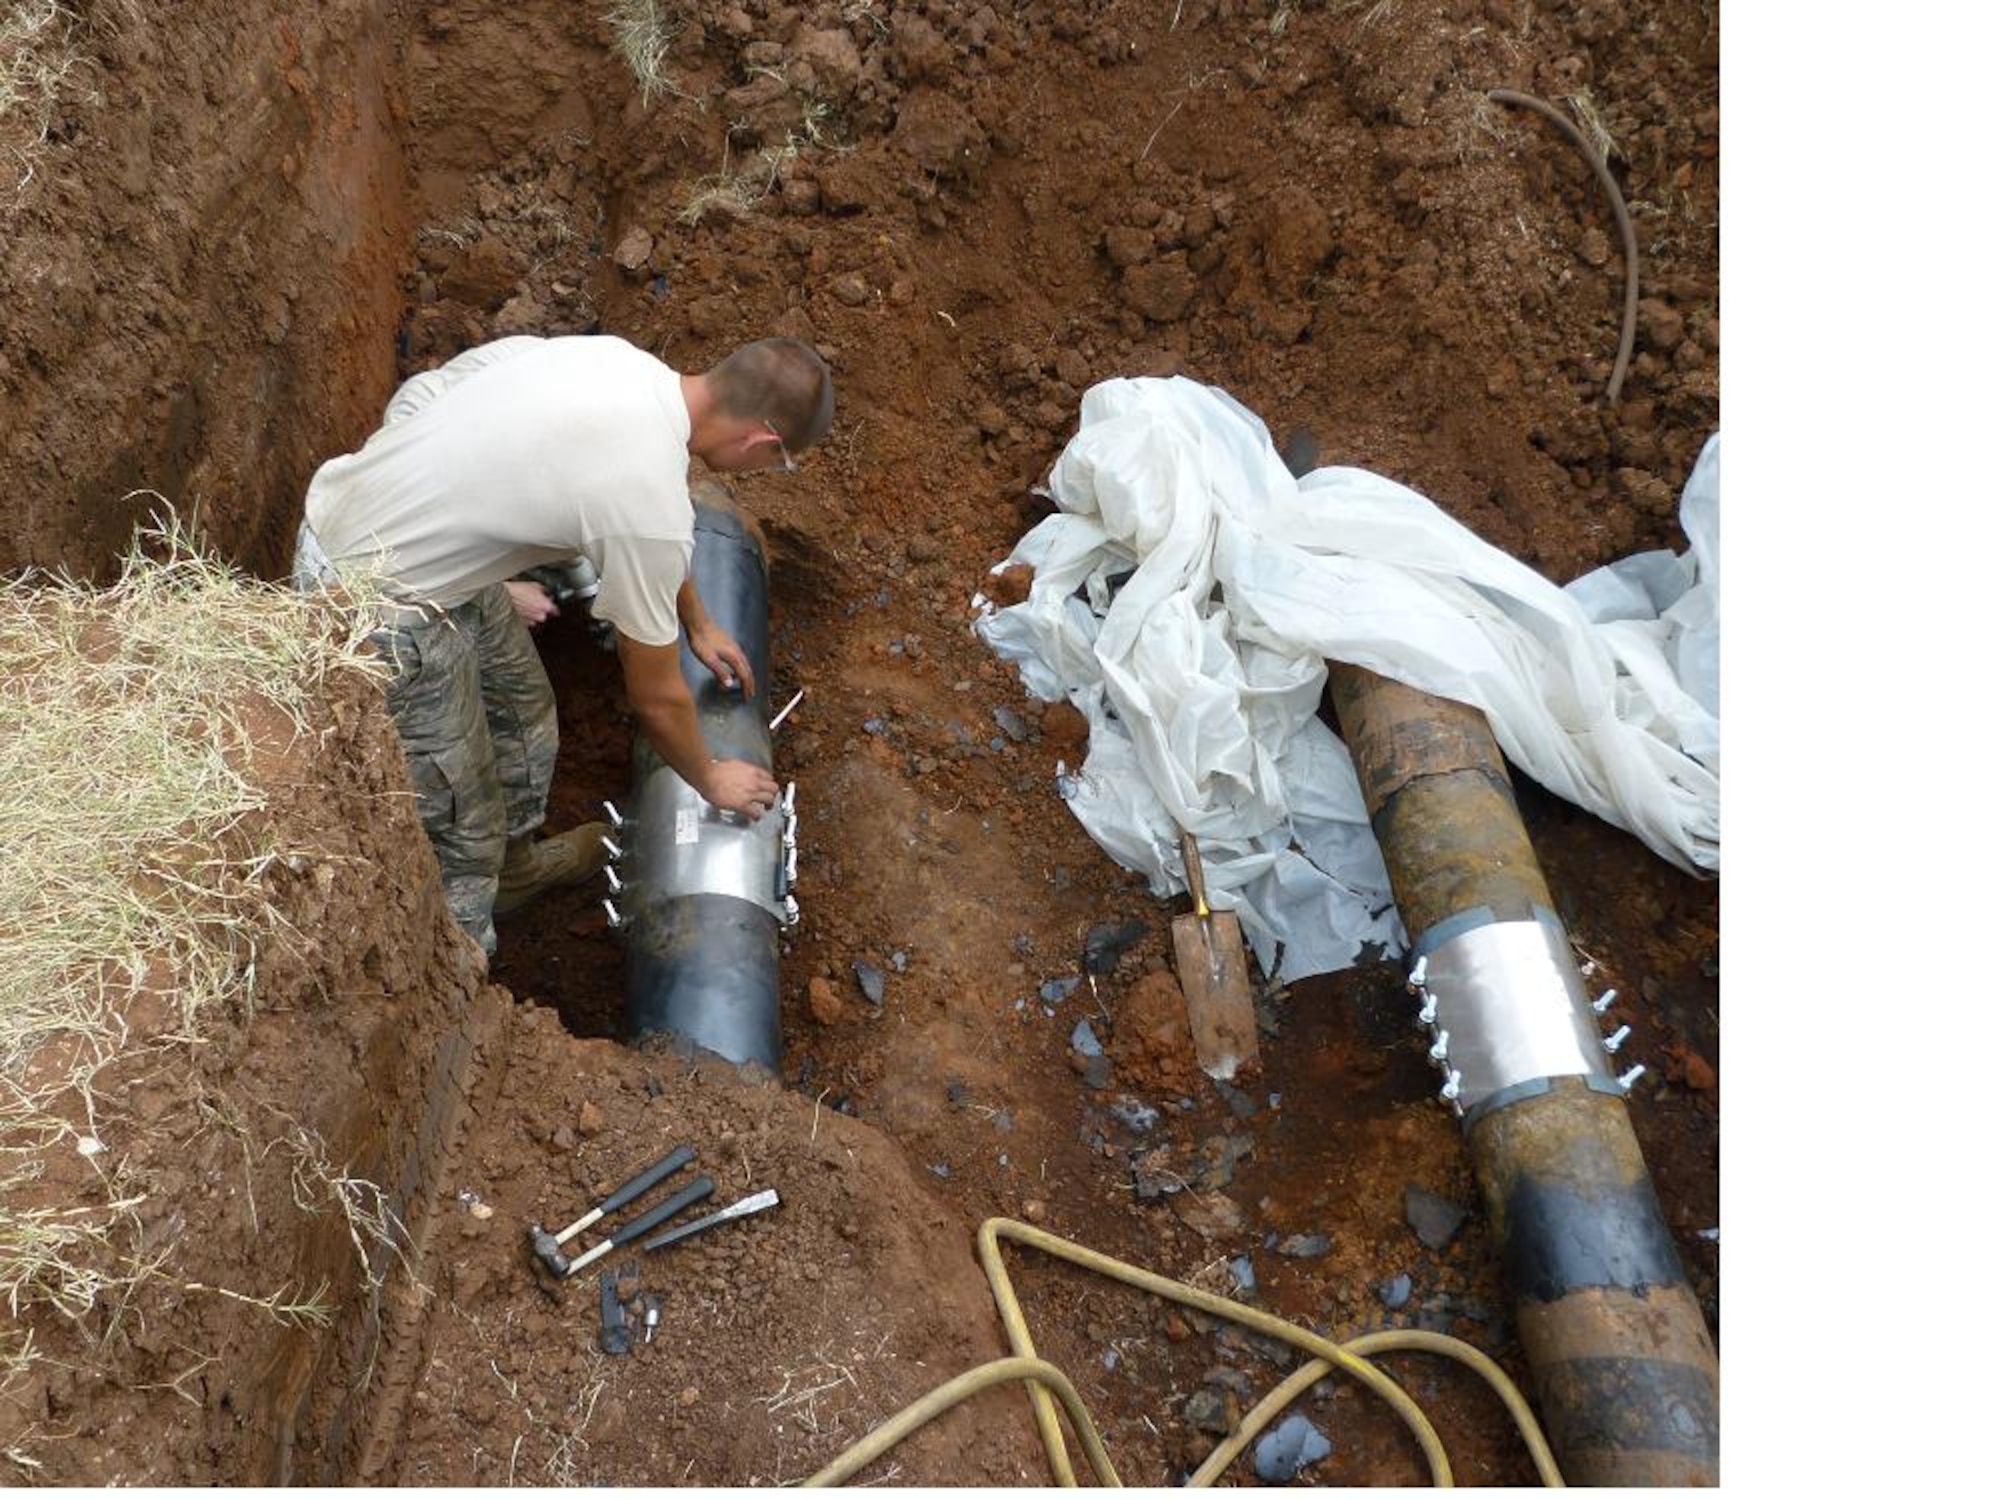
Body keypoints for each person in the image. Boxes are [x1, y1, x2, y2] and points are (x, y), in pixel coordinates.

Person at [292, 333, 834, 956]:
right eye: (780, 463)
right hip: (370, 600)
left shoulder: (622, 365)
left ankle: (516, 870)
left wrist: (699, 621)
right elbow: (656, 698)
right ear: (762, 440)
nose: (769, 470)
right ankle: (460, 971)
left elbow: (436, 389)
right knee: (459, 830)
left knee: (522, 710)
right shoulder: (644, 495)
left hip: (402, 540)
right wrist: (711, 780)